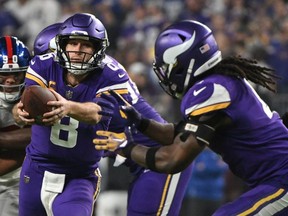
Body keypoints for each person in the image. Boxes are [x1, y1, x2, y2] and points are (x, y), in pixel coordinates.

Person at [94, 20, 288, 215]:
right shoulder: (220, 82)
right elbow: (179, 135)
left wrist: (125, 146)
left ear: (184, 62)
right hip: (273, 179)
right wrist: (141, 122)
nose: (164, 75)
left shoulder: (210, 90)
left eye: (166, 67)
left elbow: (172, 160)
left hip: (282, 179)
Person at [13, 13, 119, 216]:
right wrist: (19, 113)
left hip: (78, 176)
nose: (77, 51)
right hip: (36, 170)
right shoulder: (43, 65)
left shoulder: (111, 75)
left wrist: (68, 107)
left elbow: (97, 113)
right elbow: (24, 106)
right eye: (73, 44)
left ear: (98, 49)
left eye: (86, 45)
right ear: (62, 45)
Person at [0, 36, 31, 216]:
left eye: (16, 74)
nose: (10, 81)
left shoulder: (34, 94)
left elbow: (38, 137)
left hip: (20, 181)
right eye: (3, 74)